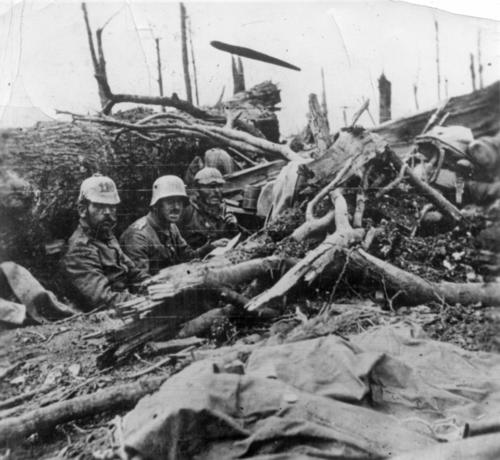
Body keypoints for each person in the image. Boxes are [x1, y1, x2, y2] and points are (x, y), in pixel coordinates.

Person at [61, 174, 148, 311]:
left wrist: (154, 286)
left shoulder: (106, 234)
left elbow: (133, 272)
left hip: (126, 303)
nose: (108, 212)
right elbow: (103, 299)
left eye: (112, 206)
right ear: (83, 210)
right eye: (100, 206)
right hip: (107, 315)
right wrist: (146, 301)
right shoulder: (81, 248)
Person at [120, 175, 217, 277]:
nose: (176, 207)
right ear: (157, 205)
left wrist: (210, 247)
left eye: (179, 202)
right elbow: (141, 282)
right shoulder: (138, 236)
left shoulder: (171, 227)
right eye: (170, 202)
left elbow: (188, 257)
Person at [178, 167, 239, 249]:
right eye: (211, 186)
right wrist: (210, 247)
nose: (217, 191)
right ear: (197, 188)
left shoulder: (223, 209)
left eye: (220, 186)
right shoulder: (187, 211)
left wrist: (233, 227)